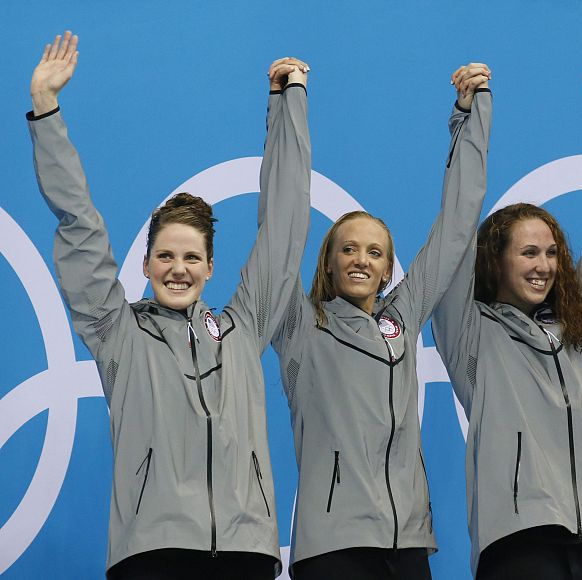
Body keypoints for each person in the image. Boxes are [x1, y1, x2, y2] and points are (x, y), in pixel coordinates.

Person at [28, 32, 311, 579]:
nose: (177, 268)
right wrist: (46, 109)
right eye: (165, 256)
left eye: (190, 257)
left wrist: (287, 105)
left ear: (209, 267)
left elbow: (285, 229)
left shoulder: (242, 330)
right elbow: (79, 224)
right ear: (147, 264)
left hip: (246, 549)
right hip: (153, 554)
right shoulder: (118, 331)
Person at [269, 63, 492, 579]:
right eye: (348, 248)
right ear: (327, 260)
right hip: (332, 548)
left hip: (408, 544)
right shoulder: (300, 325)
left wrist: (470, 114)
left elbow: (458, 224)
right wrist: (286, 106)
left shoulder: (403, 318)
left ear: (389, 268)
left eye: (374, 252)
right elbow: (281, 217)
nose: (360, 260)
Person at [431, 63, 582, 579]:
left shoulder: (570, 327)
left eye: (552, 252)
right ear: (495, 260)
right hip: (518, 546)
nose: (545, 265)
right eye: (529, 252)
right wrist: (470, 116)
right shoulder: (469, 331)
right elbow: (457, 223)